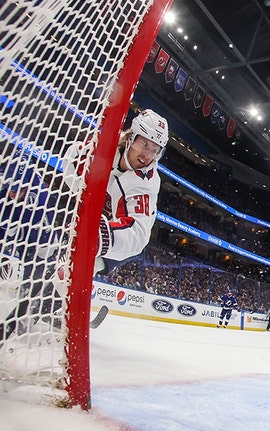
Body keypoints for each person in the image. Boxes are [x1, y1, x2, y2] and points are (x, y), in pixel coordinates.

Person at [63, 108, 170, 275]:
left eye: (155, 150)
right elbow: (72, 159)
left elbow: (137, 235)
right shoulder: (106, 145)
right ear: (131, 138)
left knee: (82, 268)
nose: (147, 155)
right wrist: (86, 199)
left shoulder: (145, 182)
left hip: (115, 230)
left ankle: (91, 268)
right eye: (145, 144)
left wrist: (96, 237)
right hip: (89, 213)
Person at [0, 162, 61, 342]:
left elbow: (8, 229)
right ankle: (36, 312)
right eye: (12, 189)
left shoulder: (35, 200)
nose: (13, 194)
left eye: (17, 191)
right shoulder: (16, 181)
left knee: (33, 288)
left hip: (44, 251)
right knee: (29, 290)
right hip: (25, 243)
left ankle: (39, 313)